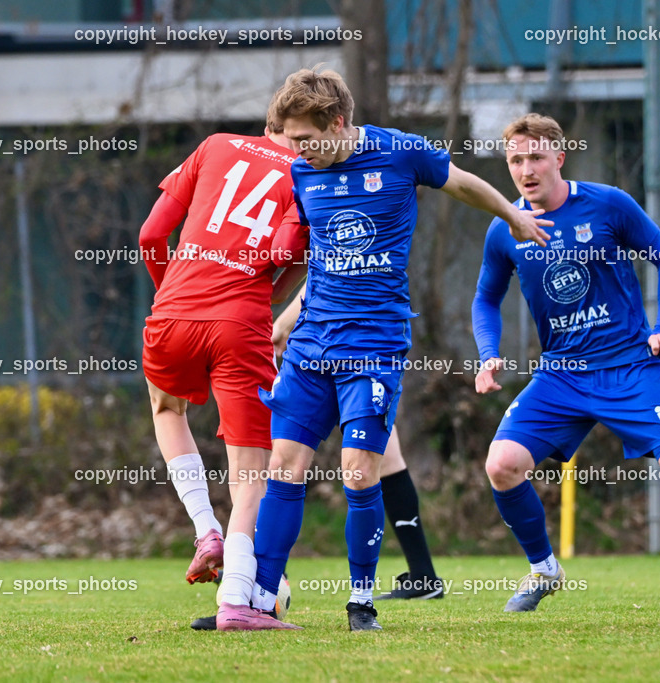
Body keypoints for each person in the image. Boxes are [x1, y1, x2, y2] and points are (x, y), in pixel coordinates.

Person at [249, 67, 552, 631]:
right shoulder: (301, 173)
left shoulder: (401, 153)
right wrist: (282, 326)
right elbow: (322, 263)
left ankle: (360, 602)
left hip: (373, 345)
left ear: (337, 122)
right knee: (284, 467)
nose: (297, 151)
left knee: (359, 474)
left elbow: (461, 182)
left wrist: (511, 214)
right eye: (290, 141)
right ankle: (260, 599)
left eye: (306, 139)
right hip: (313, 342)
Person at [471, 112, 660, 612]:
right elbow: (485, 299)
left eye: (536, 157)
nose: (526, 169)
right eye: (516, 160)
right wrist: (488, 354)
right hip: (560, 375)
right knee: (501, 466)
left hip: (629, 366)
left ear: (559, 158)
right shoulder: (506, 229)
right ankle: (544, 571)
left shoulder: (608, 205)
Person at [138, 122, 308, 631]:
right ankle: (236, 600)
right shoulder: (309, 175)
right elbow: (284, 258)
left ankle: (204, 528)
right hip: (241, 323)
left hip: (172, 311)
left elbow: (150, 234)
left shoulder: (214, 146)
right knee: (250, 469)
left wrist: (171, 292)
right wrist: (272, 289)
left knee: (167, 408)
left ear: (268, 123)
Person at [272, 287, 444, 601]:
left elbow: (329, 272)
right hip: (346, 338)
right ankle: (423, 574)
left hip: (351, 341)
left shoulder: (354, 253)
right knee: (384, 459)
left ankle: (269, 577)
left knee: (366, 463)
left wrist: (283, 324)